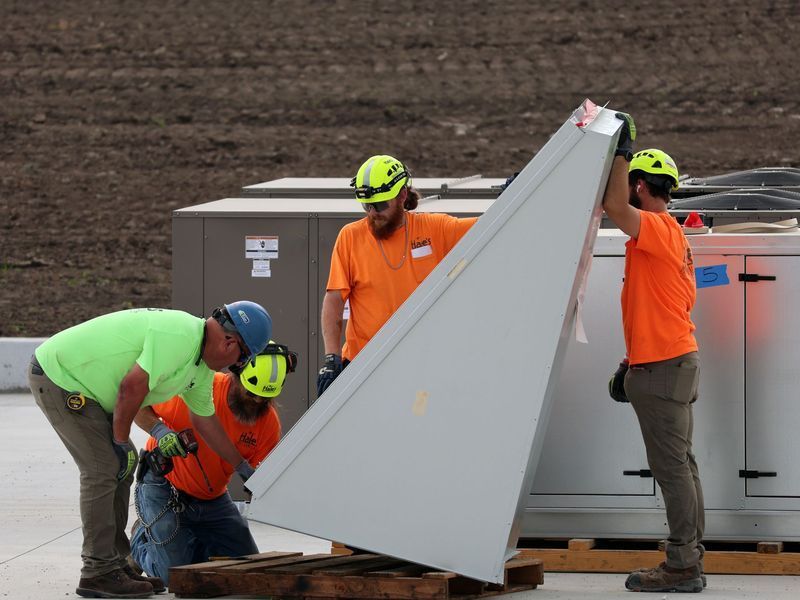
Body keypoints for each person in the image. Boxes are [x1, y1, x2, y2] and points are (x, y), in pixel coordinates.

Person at [28, 302, 272, 599]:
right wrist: (121, 442)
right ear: (229, 341)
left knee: (120, 465)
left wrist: (241, 466)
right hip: (61, 377)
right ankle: (97, 571)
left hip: (88, 388)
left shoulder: (198, 365)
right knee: (104, 467)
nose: (235, 367)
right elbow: (131, 388)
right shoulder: (179, 336)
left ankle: (115, 564)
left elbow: (204, 421)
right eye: (241, 359)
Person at [603, 115, 705, 594]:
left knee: (672, 469)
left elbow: (612, 206)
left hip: (664, 368)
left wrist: (620, 150)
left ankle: (683, 565)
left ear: (640, 186)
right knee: (682, 464)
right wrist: (631, 362)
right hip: (666, 362)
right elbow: (661, 308)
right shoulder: (667, 240)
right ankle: (692, 557)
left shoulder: (658, 230)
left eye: (629, 183)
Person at [129, 342, 296, 584]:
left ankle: (184, 543)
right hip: (164, 487)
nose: (258, 402)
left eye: (266, 397)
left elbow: (266, 473)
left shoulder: (267, 422)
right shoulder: (197, 388)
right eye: (252, 393)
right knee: (172, 576)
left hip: (212, 500)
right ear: (236, 375)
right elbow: (137, 402)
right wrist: (160, 430)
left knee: (248, 568)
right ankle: (140, 540)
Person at [317, 154, 477, 395]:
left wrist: (517, 191)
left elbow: (493, 226)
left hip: (419, 367)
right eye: (366, 205)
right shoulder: (350, 237)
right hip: (363, 366)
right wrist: (332, 358)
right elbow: (334, 300)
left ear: (402, 195)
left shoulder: (436, 230)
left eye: (380, 205)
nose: (372, 213)